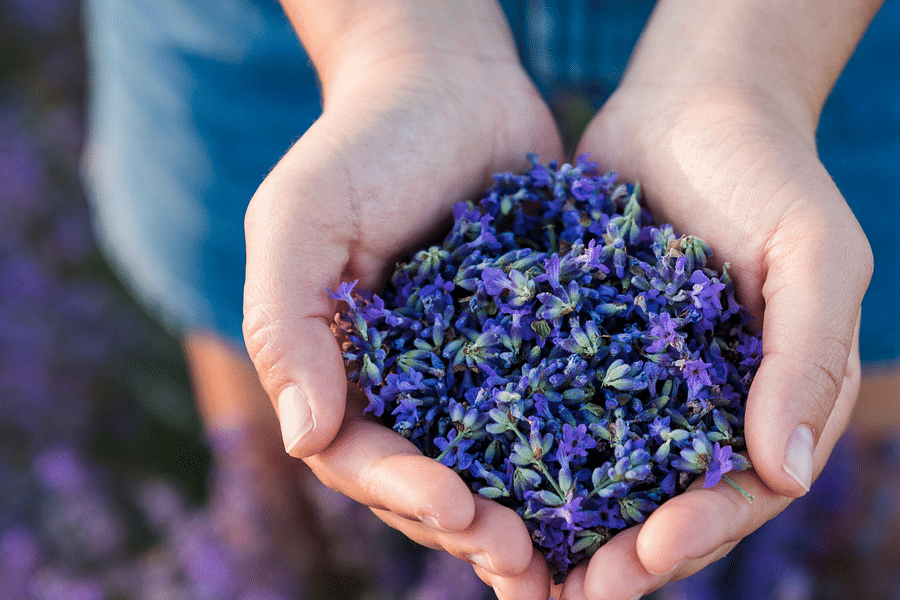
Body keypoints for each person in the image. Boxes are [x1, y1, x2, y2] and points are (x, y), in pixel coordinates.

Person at [82, 1, 897, 598]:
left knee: (825, 417)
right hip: (294, 35)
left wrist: (750, 76)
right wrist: (391, 45)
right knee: (285, 412)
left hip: (813, 38)